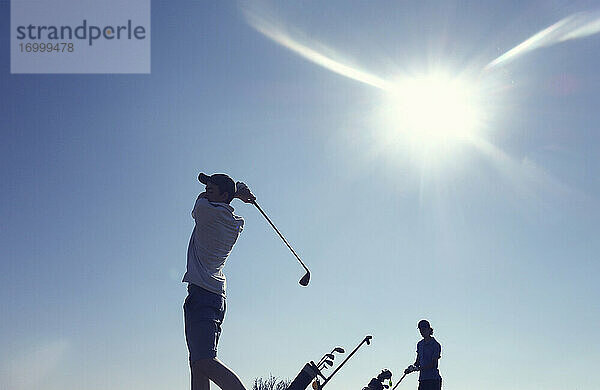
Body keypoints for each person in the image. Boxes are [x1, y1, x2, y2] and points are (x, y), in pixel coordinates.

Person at [182, 173, 256, 390]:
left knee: (204, 361)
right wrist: (237, 192)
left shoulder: (206, 212)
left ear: (224, 195)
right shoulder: (235, 223)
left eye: (211, 189)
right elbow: (214, 199)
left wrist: (237, 192)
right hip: (213, 296)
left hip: (202, 296)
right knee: (198, 364)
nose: (206, 191)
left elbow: (200, 201)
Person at [404, 319, 443, 390]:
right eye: (420, 330)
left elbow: (433, 364)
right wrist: (411, 368)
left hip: (433, 380)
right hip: (423, 379)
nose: (422, 332)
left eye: (424, 329)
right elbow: (417, 362)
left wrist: (418, 368)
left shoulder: (436, 345)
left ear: (429, 329)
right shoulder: (420, 344)